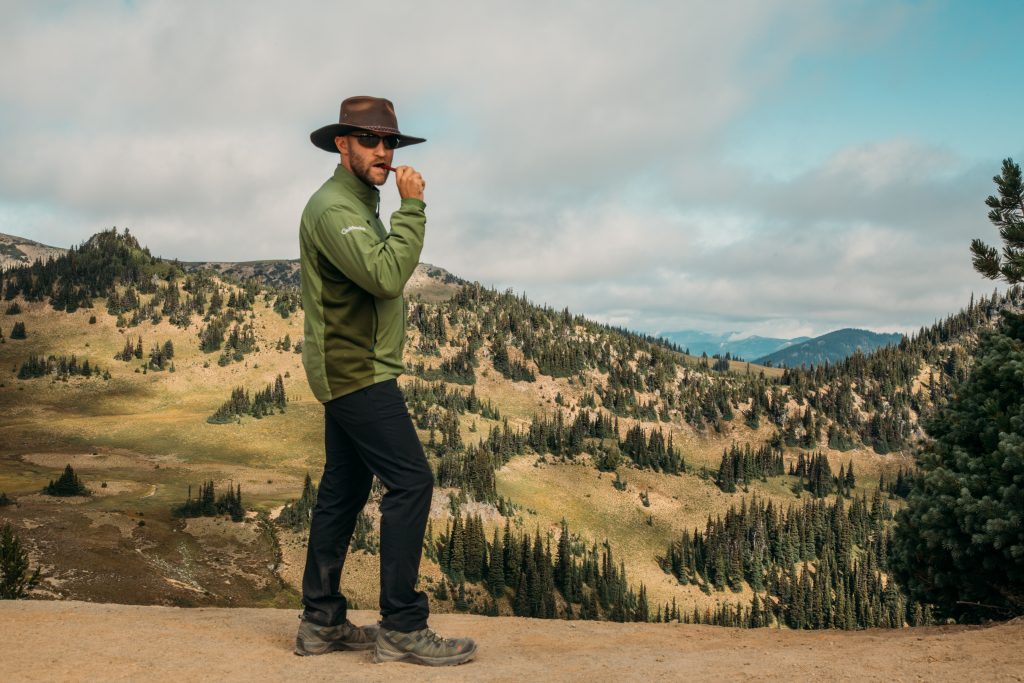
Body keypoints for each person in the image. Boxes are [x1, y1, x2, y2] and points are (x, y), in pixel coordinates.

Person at [294, 96, 476, 666]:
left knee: (343, 493)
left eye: (389, 142)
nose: (382, 151)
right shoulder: (335, 208)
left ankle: (320, 622)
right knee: (412, 482)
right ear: (341, 144)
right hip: (356, 373)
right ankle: (401, 625)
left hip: (352, 369)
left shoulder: (357, 202)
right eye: (368, 140)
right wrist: (414, 207)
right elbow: (388, 275)